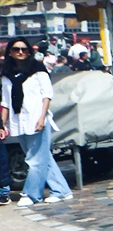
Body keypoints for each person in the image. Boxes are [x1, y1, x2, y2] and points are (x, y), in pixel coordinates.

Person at [1, 37, 72, 207]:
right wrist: (2, 123)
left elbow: (47, 95)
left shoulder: (38, 69)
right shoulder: (6, 74)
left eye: (24, 49)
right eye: (16, 49)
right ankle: (61, 190)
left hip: (36, 118)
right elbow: (5, 102)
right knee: (42, 157)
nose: (20, 52)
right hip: (19, 121)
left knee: (35, 159)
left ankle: (32, 193)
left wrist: (41, 118)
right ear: (10, 52)